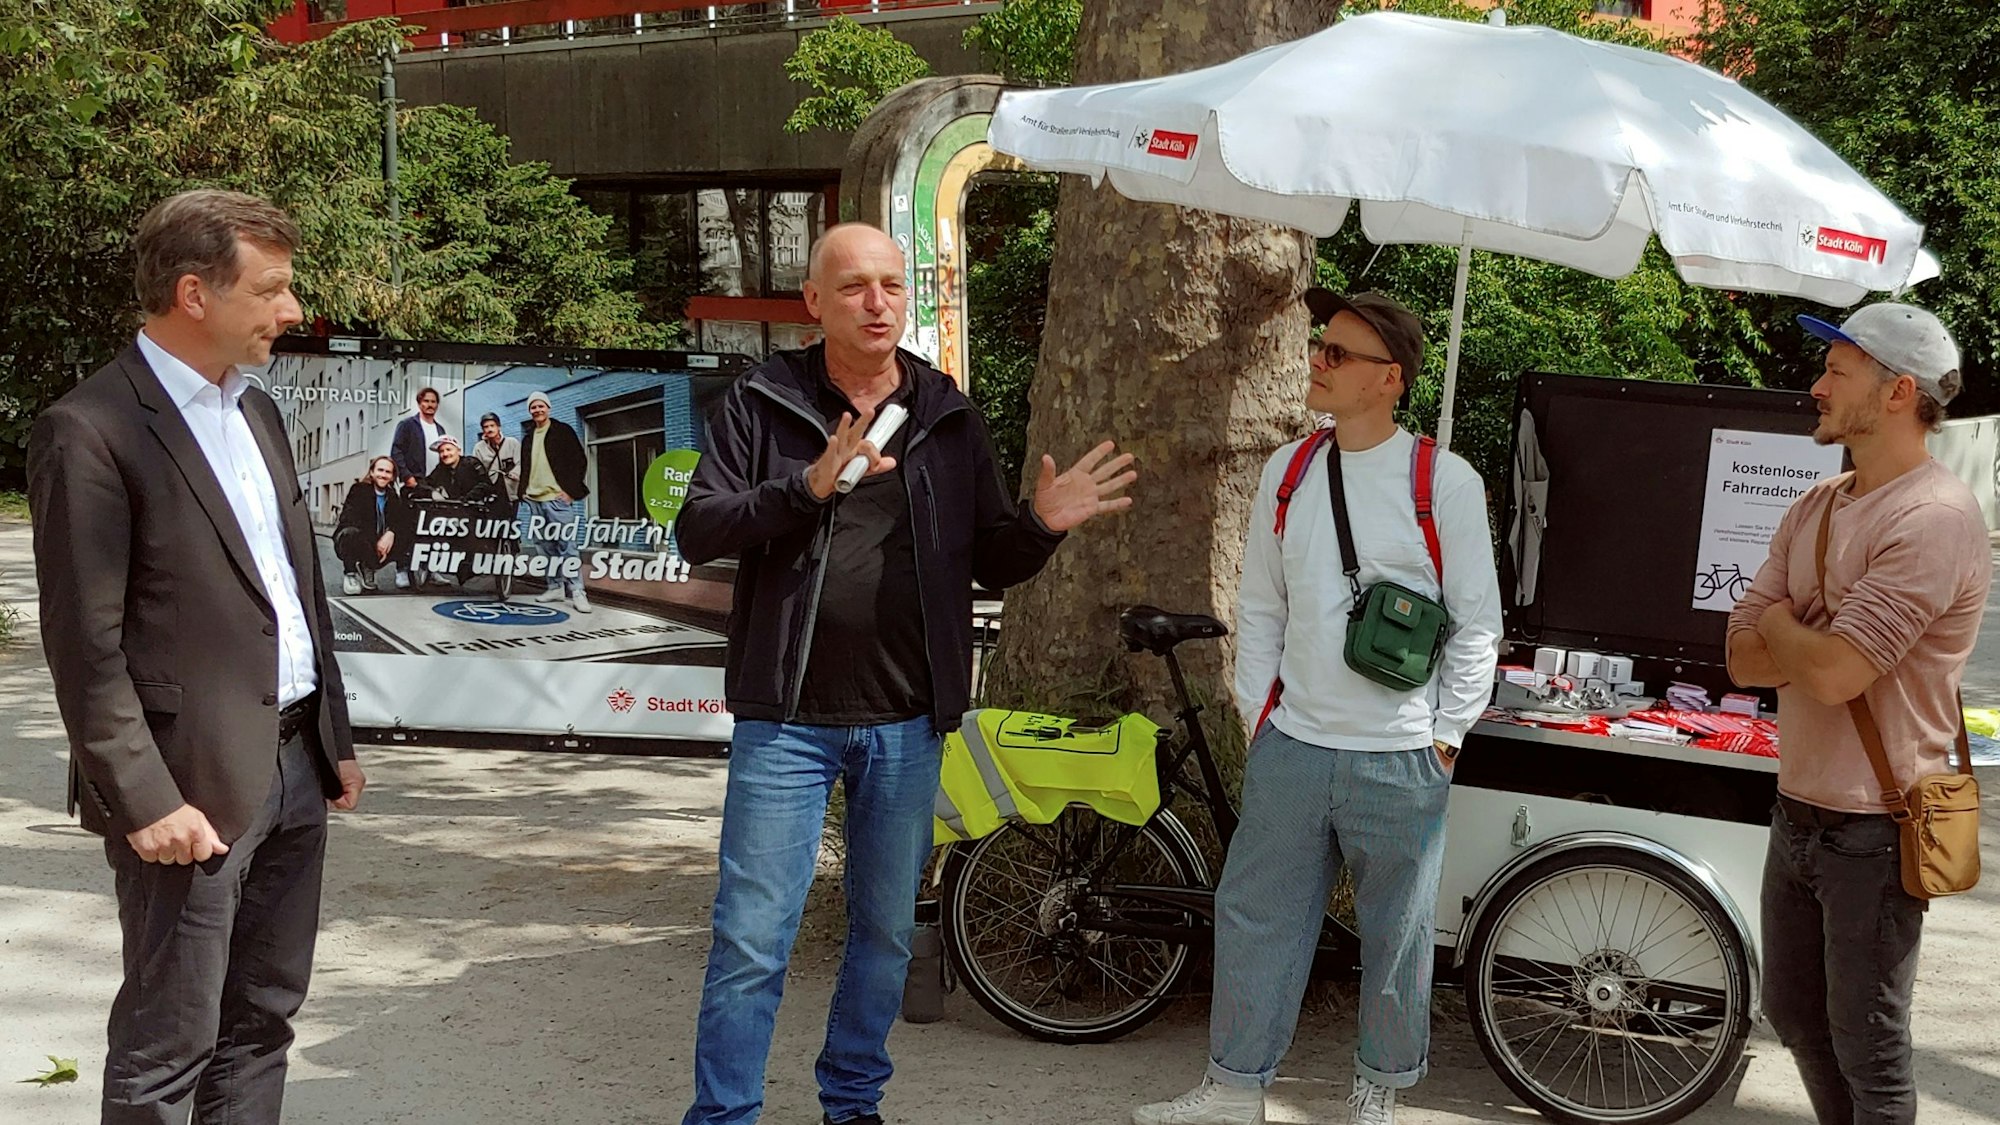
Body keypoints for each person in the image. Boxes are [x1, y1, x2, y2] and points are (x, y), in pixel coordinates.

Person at [675, 221, 1136, 1125]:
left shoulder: (947, 415)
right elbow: (701, 528)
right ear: (814, 303)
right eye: (853, 286)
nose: (876, 301)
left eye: (890, 283)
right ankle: (723, 1117)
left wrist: (1041, 524)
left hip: (905, 720)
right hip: (788, 720)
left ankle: (852, 1104)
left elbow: (992, 557)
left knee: (885, 936)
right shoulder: (762, 402)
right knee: (752, 941)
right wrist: (803, 488)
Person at [27, 188, 366, 1124]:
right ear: (193, 294)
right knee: (168, 1042)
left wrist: (330, 736)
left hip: (293, 764)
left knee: (263, 1021)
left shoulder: (254, 413)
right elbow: (84, 646)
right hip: (188, 793)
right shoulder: (90, 430)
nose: (292, 311)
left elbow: (294, 592)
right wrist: (144, 799)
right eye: (272, 289)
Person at [1135, 290, 1502, 1125]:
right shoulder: (1289, 469)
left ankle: (1379, 1088)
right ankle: (1234, 1087)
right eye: (1320, 347)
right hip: (1294, 743)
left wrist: (1443, 738)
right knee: (1257, 915)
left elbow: (1478, 623)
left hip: (1400, 753)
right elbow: (1259, 605)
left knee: (1398, 937)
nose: (1318, 363)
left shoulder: (1442, 480)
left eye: (1337, 354)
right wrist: (1259, 711)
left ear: (1391, 379)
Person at [1727, 303, 1987, 1125]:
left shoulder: (1934, 519)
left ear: (1898, 392)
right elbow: (1738, 656)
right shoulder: (1819, 504)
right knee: (1798, 1018)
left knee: (1868, 1048)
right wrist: (1791, 632)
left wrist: (1781, 624)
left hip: (1876, 826)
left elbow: (1836, 673)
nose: (1815, 385)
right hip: (1797, 809)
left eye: (1837, 371)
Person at [517, 390, 592, 612]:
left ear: (548, 408)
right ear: (530, 411)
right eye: (533, 407)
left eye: (541, 406)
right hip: (534, 500)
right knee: (544, 548)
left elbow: (580, 460)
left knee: (566, 546)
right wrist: (523, 491)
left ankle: (577, 591)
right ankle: (555, 587)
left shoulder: (562, 431)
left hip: (557, 499)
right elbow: (527, 467)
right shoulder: (529, 437)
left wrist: (570, 491)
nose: (537, 410)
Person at [334, 455, 407, 594]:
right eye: (380, 470)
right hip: (356, 540)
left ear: (392, 477)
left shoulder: (392, 497)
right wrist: (376, 542)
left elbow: (399, 520)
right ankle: (351, 573)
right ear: (372, 472)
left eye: (388, 472)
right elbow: (349, 519)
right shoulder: (359, 490)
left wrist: (390, 533)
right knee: (351, 533)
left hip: (380, 545)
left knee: (406, 531)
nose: (383, 475)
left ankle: (399, 570)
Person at [471, 410, 522, 499]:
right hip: (490, 491)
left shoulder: (512, 443)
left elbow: (520, 463)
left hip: (511, 489)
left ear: (498, 427)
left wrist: (514, 473)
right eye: (486, 427)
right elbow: (475, 470)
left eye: (492, 426)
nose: (489, 429)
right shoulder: (478, 448)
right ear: (483, 430)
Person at [423, 434, 487, 500]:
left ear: (458, 451)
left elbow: (485, 484)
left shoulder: (472, 464)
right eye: (441, 451)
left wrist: (467, 499)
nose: (445, 454)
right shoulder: (440, 469)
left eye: (448, 449)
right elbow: (426, 483)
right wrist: (433, 492)